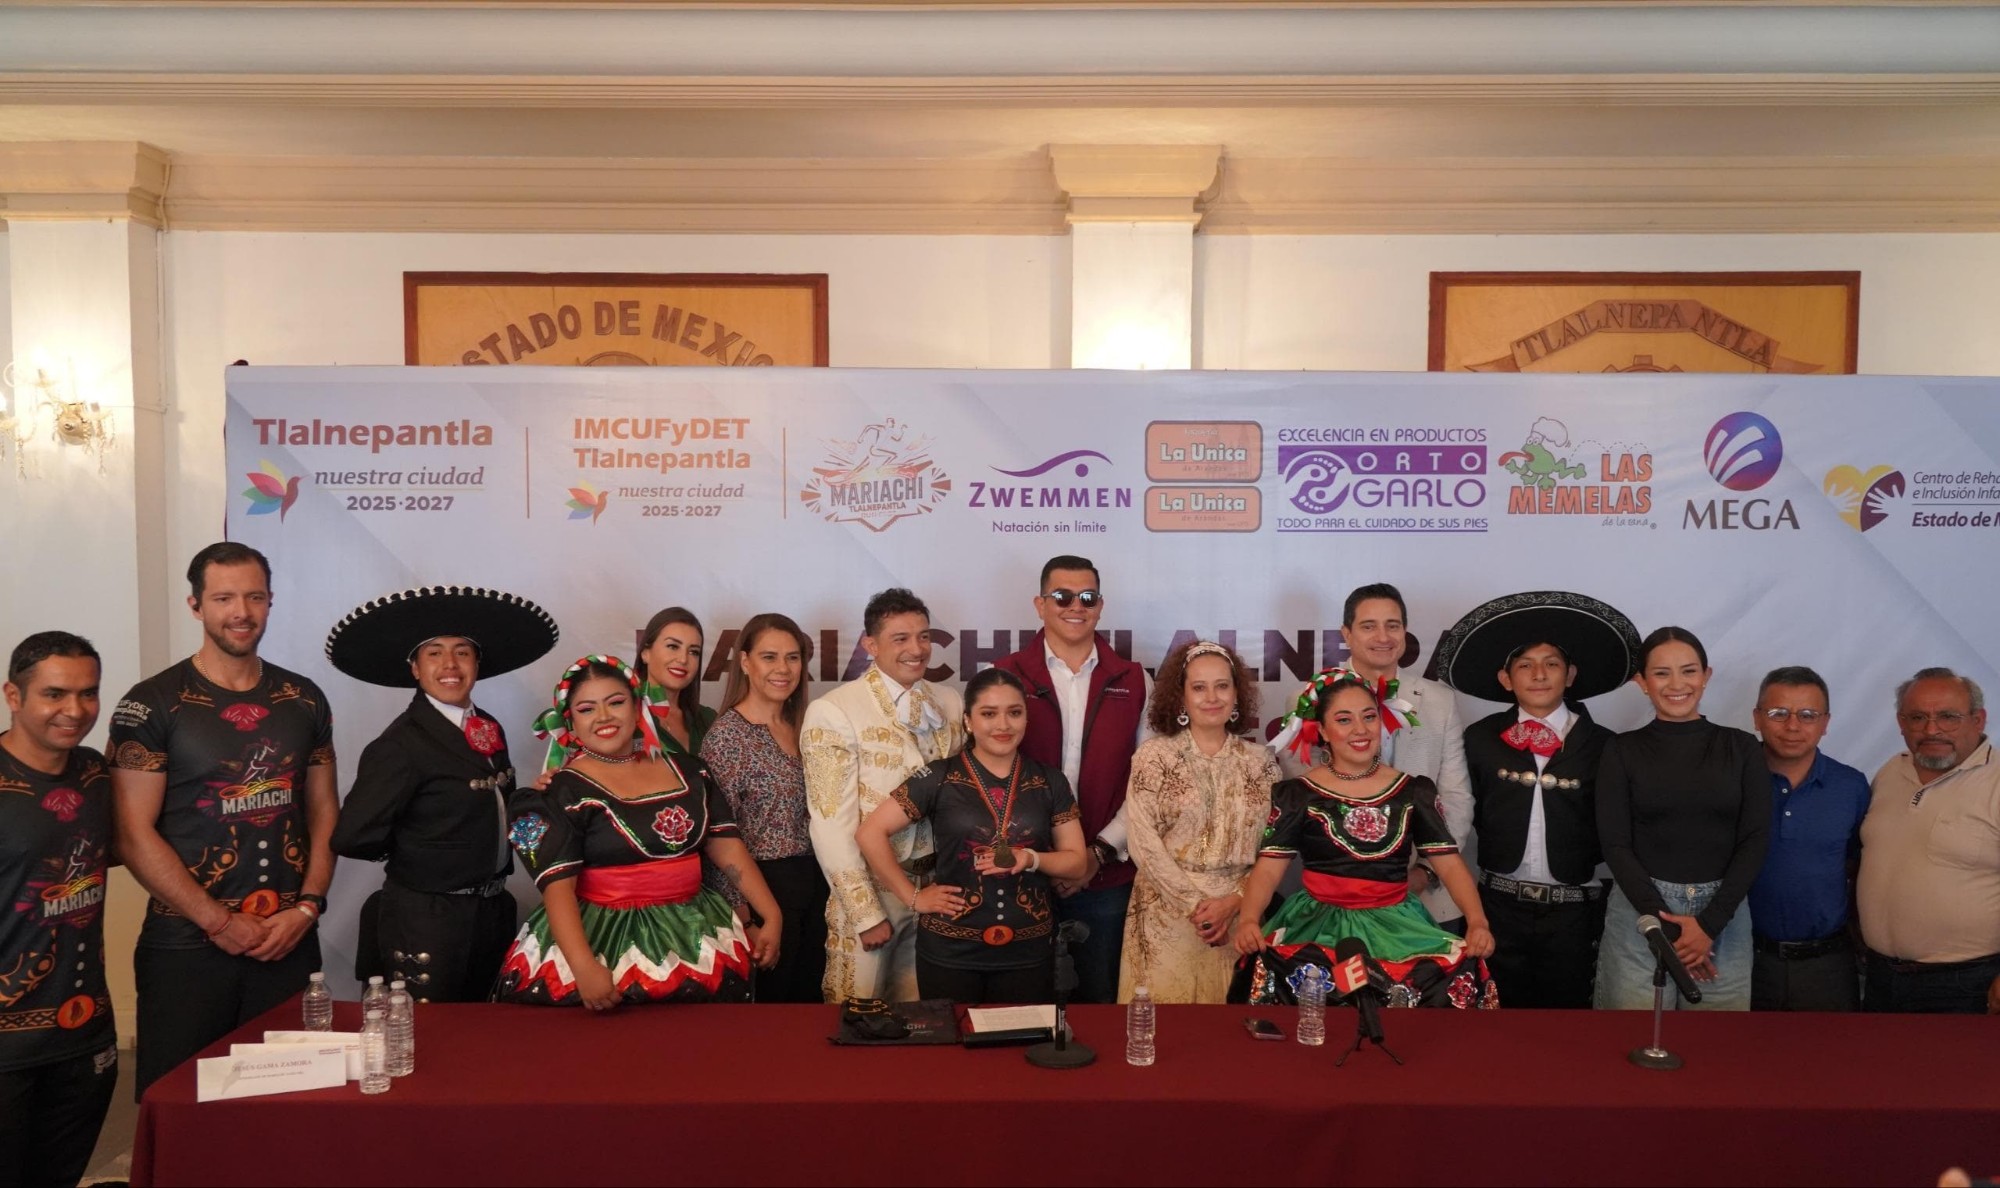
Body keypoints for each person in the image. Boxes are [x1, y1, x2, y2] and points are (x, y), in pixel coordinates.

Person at [109, 542, 338, 1095]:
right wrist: (217, 921)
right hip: (186, 944)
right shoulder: (151, 703)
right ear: (195, 606)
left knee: (290, 1105)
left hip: (287, 939)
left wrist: (307, 908)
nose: (241, 612)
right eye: (224, 598)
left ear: (270, 601)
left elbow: (325, 809)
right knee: (181, 1103)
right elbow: (132, 833)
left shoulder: (304, 698)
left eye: (254, 597)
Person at [494, 655, 780, 1007]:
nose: (603, 717)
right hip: (602, 937)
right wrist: (582, 966)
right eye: (587, 709)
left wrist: (771, 914)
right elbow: (558, 889)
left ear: (638, 707)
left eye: (615, 702)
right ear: (571, 723)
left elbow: (726, 847)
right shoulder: (560, 791)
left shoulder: (689, 770)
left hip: (695, 927)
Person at [325, 585, 559, 1001]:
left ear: (476, 665)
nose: (450, 664)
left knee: (487, 1031)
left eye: (462, 652)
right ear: (415, 668)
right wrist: (423, 851)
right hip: (426, 918)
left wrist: (539, 801)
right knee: (427, 1035)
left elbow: (493, 807)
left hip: (492, 913)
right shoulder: (399, 744)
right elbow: (352, 836)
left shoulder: (487, 726)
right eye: (434, 653)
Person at [1238, 673, 1496, 1007]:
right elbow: (1270, 868)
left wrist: (1477, 922)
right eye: (1344, 720)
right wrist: (1248, 919)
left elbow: (1448, 864)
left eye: (1369, 716)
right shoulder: (1298, 795)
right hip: (1316, 926)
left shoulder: (1412, 791)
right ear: (1322, 730)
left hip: (1398, 927)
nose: (1360, 729)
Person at [1434, 590, 1639, 1009]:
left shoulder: (1606, 745)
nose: (1539, 674)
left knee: (1567, 1024)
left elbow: (1618, 826)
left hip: (1574, 913)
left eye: (1552, 664)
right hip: (1497, 907)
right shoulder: (1480, 738)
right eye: (1525, 665)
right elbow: (1463, 808)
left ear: (1570, 674)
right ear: (1506, 679)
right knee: (1495, 1017)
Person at [856, 668, 1088, 1004]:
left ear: (1026, 718)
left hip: (1028, 950)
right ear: (968, 721)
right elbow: (870, 833)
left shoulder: (1049, 781)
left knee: (1020, 1037)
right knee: (951, 1037)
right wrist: (913, 897)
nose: (1003, 725)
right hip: (949, 951)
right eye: (989, 714)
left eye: (1014, 713)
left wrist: (1030, 858)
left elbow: (1077, 864)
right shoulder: (939, 776)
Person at [992, 554, 1148, 1003]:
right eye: (1062, 596)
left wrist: (1096, 854)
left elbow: (1147, 785)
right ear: (1040, 604)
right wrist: (1037, 858)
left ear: (1101, 606)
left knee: (1099, 1003)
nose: (1075, 606)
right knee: (1018, 1006)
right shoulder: (1002, 674)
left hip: (1105, 877)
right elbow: (982, 775)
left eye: (1087, 597)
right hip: (1019, 874)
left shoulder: (1135, 680)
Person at [1594, 626, 1768, 1011]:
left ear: (1706, 676)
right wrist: (1672, 933)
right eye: (1661, 673)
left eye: (1688, 671)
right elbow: (1615, 843)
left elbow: (1755, 839)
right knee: (1633, 1036)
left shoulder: (1741, 748)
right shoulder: (1621, 750)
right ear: (1642, 682)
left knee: (1715, 1041)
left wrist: (1707, 927)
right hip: (1641, 913)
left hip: (1723, 913)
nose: (1677, 684)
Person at [803, 588, 964, 1002]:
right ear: (870, 645)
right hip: (873, 892)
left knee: (925, 1016)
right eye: (901, 638)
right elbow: (830, 824)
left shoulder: (948, 701)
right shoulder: (834, 710)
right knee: (860, 1015)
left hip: (937, 891)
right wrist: (865, 914)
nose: (917, 649)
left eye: (924, 637)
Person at [0, 633, 118, 1187]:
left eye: (88, 693)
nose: (75, 710)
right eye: (54, 694)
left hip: (84, 1034)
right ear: (13, 696)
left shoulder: (96, 774)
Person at [1117, 640, 1279, 1004]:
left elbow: (1274, 847)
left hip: (1238, 917)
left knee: (1229, 1026)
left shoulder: (1262, 763)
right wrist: (1197, 907)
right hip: (1165, 914)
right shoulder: (1154, 756)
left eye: (1222, 686)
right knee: (1162, 1026)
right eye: (1199, 687)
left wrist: (1235, 900)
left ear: (1237, 694)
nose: (1212, 697)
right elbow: (1142, 842)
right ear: (1182, 696)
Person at [699, 613, 829, 1003]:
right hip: (763, 889)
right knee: (772, 1013)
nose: (783, 669)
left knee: (811, 1005)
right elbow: (716, 837)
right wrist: (743, 915)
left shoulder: (805, 725)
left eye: (793, 657)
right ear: (745, 662)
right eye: (769, 657)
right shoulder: (727, 737)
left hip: (816, 884)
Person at [1330, 583, 1475, 934]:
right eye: (1369, 626)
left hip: (1428, 898)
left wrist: (1425, 871)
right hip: (1341, 900)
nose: (1383, 637)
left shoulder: (1439, 701)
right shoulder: (1312, 699)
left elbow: (1455, 797)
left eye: (1392, 625)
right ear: (1346, 634)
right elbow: (1309, 803)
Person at [1858, 667, 2000, 1014]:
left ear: (1978, 720)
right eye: (1918, 717)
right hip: (1879, 977)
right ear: (1901, 723)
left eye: (1948, 717)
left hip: (1969, 983)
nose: (1931, 729)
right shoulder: (1891, 772)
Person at [1746, 666, 1869, 1012]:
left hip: (1827, 965)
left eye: (1808, 715)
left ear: (1825, 722)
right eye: (1778, 713)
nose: (1793, 726)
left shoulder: (1851, 786)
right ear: (1757, 718)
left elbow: (1856, 865)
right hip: (1743, 958)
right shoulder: (1732, 778)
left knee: (1830, 1048)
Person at [636, 607, 715, 758]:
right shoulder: (623, 714)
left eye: (693, 652)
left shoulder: (707, 719)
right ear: (645, 653)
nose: (683, 659)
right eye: (673, 646)